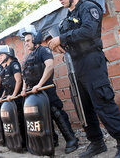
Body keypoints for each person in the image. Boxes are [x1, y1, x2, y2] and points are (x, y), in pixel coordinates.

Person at [49, 0, 120, 158]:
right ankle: (97, 143)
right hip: (76, 66)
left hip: (92, 62)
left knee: (102, 101)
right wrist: (57, 45)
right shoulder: (66, 17)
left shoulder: (89, 7)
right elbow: (69, 38)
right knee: (83, 106)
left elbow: (88, 31)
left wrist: (62, 39)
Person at [20, 25, 78, 154]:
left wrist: (39, 84)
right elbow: (25, 76)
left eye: (28, 40)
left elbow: (50, 66)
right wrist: (24, 89)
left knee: (56, 112)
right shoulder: (27, 57)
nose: (26, 44)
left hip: (46, 89)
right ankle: (52, 140)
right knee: (42, 116)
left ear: (35, 39)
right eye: (25, 42)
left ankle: (72, 140)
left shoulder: (43, 51)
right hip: (34, 93)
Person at [0, 45, 26, 148]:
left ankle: (24, 144)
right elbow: (5, 86)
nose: (0, 56)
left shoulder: (14, 64)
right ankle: (15, 143)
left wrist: (13, 95)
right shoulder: (5, 69)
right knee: (12, 122)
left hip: (16, 98)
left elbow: (19, 80)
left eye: (2, 54)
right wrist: (2, 97)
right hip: (9, 99)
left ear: (9, 54)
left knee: (21, 121)